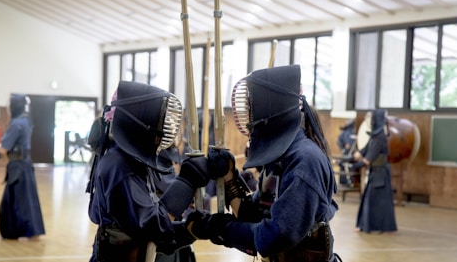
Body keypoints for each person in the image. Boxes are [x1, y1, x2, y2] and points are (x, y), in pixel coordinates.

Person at [184, 65, 341, 262]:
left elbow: (277, 235)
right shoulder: (281, 158)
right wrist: (229, 177)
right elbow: (254, 214)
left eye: (252, 107)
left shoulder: (304, 160)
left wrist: (219, 228)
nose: (249, 117)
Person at [86, 81, 225, 262]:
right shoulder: (119, 165)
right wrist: (186, 182)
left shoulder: (134, 159)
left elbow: (153, 233)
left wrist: (191, 230)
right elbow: (151, 226)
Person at [0, 94, 45, 240]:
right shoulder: (25, 121)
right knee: (23, 200)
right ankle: (27, 232)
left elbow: (4, 148)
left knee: (20, 202)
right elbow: (8, 144)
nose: (7, 108)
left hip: (18, 168)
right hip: (23, 166)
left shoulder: (16, 123)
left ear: (14, 106)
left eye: (9, 105)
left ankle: (27, 232)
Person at [351, 109, 397, 234]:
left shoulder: (380, 137)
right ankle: (368, 226)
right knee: (371, 200)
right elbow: (364, 151)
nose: (369, 120)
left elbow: (368, 159)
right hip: (375, 172)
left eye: (370, 118)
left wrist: (355, 166)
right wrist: (352, 158)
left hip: (380, 173)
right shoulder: (375, 136)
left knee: (376, 201)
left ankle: (374, 226)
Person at [336, 119, 357, 186]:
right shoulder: (350, 131)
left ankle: (345, 182)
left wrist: (343, 149)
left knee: (343, 165)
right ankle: (348, 182)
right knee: (344, 165)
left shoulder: (345, 131)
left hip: (347, 152)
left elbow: (338, 141)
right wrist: (344, 149)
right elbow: (348, 145)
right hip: (348, 153)